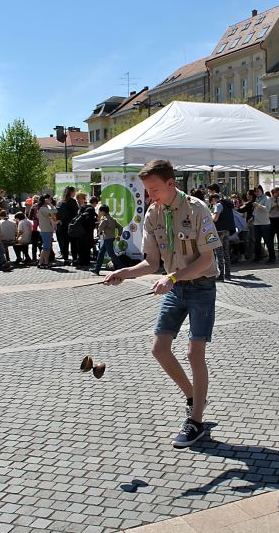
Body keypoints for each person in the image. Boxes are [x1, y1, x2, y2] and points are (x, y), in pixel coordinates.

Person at [103, 159, 221, 448]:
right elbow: (151, 262)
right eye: (146, 191)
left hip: (201, 287)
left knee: (195, 354)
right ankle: (194, 397)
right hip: (175, 288)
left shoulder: (197, 209)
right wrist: (124, 273)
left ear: (171, 184)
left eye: (154, 190)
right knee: (159, 349)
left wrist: (172, 278)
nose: (149, 196)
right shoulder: (153, 215)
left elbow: (207, 260)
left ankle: (196, 421)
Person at [90, 205, 123, 275]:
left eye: (100, 211)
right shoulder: (112, 219)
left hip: (107, 238)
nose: (99, 212)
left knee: (111, 254)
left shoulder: (105, 220)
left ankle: (121, 268)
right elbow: (120, 227)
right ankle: (96, 270)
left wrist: (99, 232)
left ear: (103, 211)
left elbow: (100, 228)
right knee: (101, 253)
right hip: (111, 238)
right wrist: (119, 235)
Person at [209, 193, 234, 281]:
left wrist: (210, 214)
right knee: (226, 253)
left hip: (219, 231)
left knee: (219, 253)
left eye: (211, 202)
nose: (212, 204)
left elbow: (215, 218)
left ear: (213, 200)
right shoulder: (227, 204)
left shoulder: (218, 205)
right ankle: (228, 274)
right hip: (227, 230)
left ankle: (221, 275)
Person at [253, 185, 275, 264]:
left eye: (258, 191)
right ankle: (257, 257)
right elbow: (256, 211)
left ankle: (272, 257)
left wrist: (258, 205)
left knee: (268, 241)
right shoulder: (257, 199)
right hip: (257, 223)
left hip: (265, 223)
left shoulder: (267, 198)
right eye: (255, 191)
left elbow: (267, 209)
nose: (257, 193)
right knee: (257, 241)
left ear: (262, 190)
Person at [56, 186, 78, 266]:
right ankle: (74, 259)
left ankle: (66, 259)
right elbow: (76, 213)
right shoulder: (72, 201)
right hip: (71, 225)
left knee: (65, 243)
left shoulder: (60, 201)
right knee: (73, 243)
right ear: (71, 192)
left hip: (62, 225)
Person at [75, 192, 97, 267]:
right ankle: (86, 261)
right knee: (86, 247)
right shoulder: (89, 208)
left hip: (80, 230)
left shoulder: (81, 208)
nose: (85, 200)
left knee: (81, 246)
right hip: (87, 231)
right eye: (84, 198)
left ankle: (81, 261)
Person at [37, 194, 57, 269]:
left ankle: (46, 262)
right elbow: (55, 211)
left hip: (47, 229)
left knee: (48, 248)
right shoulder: (43, 209)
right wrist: (51, 204)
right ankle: (40, 262)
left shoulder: (44, 208)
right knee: (45, 247)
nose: (51, 200)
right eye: (49, 199)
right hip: (45, 230)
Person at [269, 187, 279, 257]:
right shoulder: (269, 200)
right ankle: (271, 252)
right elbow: (268, 209)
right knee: (271, 236)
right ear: (274, 193)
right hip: (272, 219)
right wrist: (274, 206)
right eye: (278, 193)